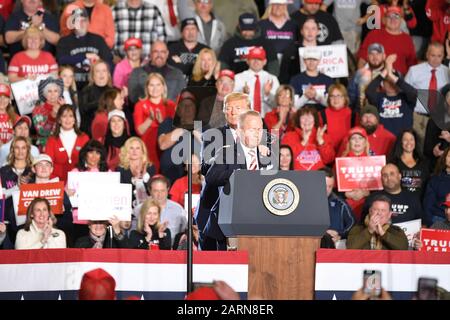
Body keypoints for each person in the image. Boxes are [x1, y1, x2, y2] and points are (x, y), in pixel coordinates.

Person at [204, 110, 273, 250]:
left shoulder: (266, 155)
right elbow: (211, 178)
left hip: (260, 222)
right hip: (229, 224)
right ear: (240, 132)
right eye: (252, 129)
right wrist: (238, 175)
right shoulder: (227, 152)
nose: (257, 133)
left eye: (260, 129)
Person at [405, 42, 450, 148]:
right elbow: (405, 92)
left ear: (443, 56)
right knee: (417, 147)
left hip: (439, 118)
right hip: (418, 116)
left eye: (439, 56)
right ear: (427, 54)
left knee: (434, 148)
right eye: (433, 55)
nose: (436, 59)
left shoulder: (447, 72)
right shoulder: (415, 70)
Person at [56, 8, 113, 90]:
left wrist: (99, 62)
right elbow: (61, 60)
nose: (81, 24)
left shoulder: (98, 40)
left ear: (88, 22)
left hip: (95, 86)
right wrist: (85, 56)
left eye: (84, 21)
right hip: (72, 86)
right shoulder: (64, 41)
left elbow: (108, 61)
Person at [365, 54, 418, 136]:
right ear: (383, 84)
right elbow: (369, 91)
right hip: (383, 138)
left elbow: (413, 92)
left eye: (393, 81)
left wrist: (391, 76)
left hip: (402, 140)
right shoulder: (379, 97)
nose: (391, 84)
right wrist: (386, 70)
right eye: (387, 81)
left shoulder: (406, 97)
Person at [133, 72, 176, 171]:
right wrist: (150, 119)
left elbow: (175, 130)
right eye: (151, 85)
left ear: (163, 87)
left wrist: (163, 123)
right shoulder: (140, 105)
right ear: (147, 88)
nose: (155, 88)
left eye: (158, 85)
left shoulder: (171, 105)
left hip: (165, 147)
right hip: (147, 146)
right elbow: (139, 131)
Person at [358, 6, 417, 76]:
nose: (393, 19)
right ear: (384, 19)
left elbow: (412, 65)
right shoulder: (373, 35)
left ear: (401, 20)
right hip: (375, 81)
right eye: (390, 17)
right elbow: (362, 60)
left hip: (400, 82)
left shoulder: (407, 39)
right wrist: (363, 80)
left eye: (396, 17)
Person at [128, 40, 185, 105]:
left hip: (170, 111)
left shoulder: (177, 74)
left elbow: (183, 98)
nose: (159, 55)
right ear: (150, 54)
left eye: (162, 52)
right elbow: (133, 98)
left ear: (167, 54)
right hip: (145, 111)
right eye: (156, 52)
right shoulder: (137, 73)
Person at [44, 104, 90, 182]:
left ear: (75, 119)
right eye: (64, 116)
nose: (68, 119)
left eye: (71, 116)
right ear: (59, 120)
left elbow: (89, 162)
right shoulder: (52, 140)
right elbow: (48, 164)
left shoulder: (84, 138)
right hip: (57, 183)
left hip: (80, 181)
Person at [0, 136, 34, 242]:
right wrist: (17, 188)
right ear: (12, 150)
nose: (20, 151)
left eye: (23, 148)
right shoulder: (3, 171)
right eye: (17, 148)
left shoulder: (33, 171)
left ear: (28, 150)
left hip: (28, 222)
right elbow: (0, 194)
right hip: (6, 222)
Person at [281, 106, 335, 171]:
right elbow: (285, 160)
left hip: (318, 177)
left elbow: (329, 159)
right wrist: (302, 143)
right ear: (298, 120)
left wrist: (321, 142)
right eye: (303, 117)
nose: (306, 120)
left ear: (315, 120)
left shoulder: (324, 136)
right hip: (295, 177)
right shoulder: (289, 136)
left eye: (310, 117)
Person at [234, 46, 280, 117]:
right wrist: (242, 93)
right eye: (253, 58)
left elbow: (277, 105)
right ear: (247, 61)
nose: (256, 61)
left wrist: (267, 94)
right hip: (244, 118)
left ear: (264, 62)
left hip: (267, 120)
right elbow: (232, 103)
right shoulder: (238, 78)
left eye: (259, 59)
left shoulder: (272, 79)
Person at [388, 129, 430, 199]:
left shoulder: (423, 162)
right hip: (399, 202)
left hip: (419, 204)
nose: (409, 142)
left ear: (415, 142)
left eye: (411, 139)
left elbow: (427, 185)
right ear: (400, 142)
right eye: (405, 140)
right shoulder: (393, 163)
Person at [279, 16, 321, 85]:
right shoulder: (291, 50)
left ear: (318, 31)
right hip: (297, 87)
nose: (310, 32)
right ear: (301, 31)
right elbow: (284, 76)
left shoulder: (326, 49)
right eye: (306, 28)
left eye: (313, 29)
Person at [147, 175, 187, 246]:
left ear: (168, 189)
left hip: (172, 252)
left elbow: (184, 231)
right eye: (156, 191)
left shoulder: (178, 209)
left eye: (162, 190)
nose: (160, 194)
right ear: (150, 191)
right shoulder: (140, 209)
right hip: (146, 250)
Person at [320, 167, 355, 248]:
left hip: (335, 246)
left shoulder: (340, 203)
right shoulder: (306, 202)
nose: (327, 190)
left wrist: (339, 234)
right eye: (324, 186)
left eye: (330, 186)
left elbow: (352, 223)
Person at [116, 137, 156, 205]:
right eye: (131, 148)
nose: (134, 151)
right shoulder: (120, 169)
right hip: (127, 204)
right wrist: (135, 180)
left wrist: (144, 178)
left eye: (138, 148)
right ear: (127, 151)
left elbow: (152, 191)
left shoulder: (150, 167)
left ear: (142, 151)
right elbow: (121, 193)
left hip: (147, 205)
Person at [348, 43, 386, 111]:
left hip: (385, 114)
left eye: (378, 54)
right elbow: (351, 98)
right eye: (371, 54)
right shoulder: (359, 73)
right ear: (367, 57)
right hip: (362, 114)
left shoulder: (391, 73)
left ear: (384, 56)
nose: (375, 57)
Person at [79, 60, 113, 136]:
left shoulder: (114, 91)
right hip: (90, 132)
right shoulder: (86, 90)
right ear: (93, 75)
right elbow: (83, 110)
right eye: (98, 71)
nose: (101, 74)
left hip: (110, 132)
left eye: (104, 71)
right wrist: (101, 102)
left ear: (108, 74)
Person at [32, 77, 65, 149]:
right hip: (46, 146)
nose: (53, 94)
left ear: (59, 93)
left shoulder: (64, 107)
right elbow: (42, 132)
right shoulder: (38, 110)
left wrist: (64, 110)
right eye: (49, 91)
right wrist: (52, 116)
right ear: (44, 94)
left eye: (56, 91)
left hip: (64, 145)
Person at [320, 84, 354, 153]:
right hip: (328, 154)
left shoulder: (353, 115)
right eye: (332, 96)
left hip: (347, 154)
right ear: (329, 98)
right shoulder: (321, 115)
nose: (336, 99)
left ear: (345, 98)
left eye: (339, 96)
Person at [423, 147, 450, 226]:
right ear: (445, 158)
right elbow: (428, 204)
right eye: (449, 156)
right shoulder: (435, 179)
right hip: (439, 219)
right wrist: (430, 224)